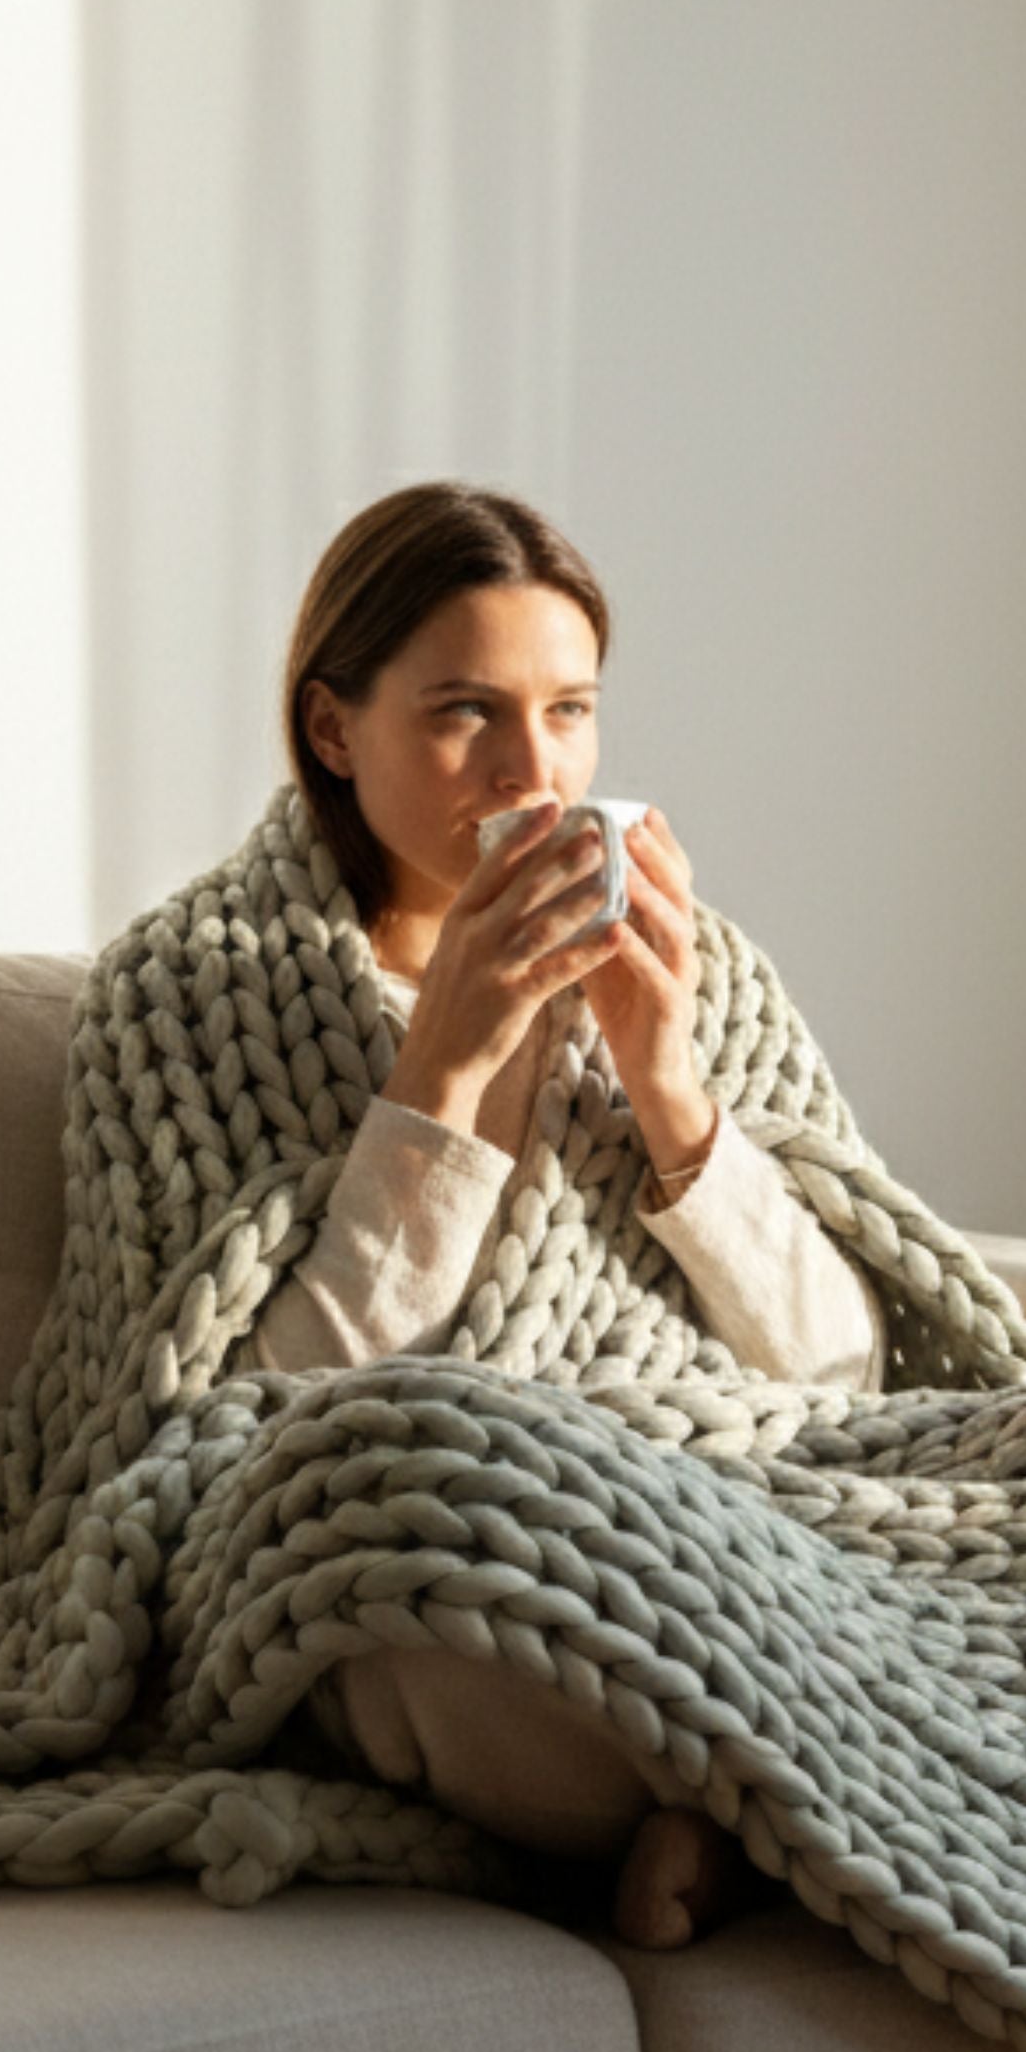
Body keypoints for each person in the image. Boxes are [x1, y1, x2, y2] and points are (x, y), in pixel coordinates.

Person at [233, 481, 887, 1950]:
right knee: (439, 1558)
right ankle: (821, 1803)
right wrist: (440, 1076)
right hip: (445, 1560)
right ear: (335, 730)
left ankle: (752, 1810)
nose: (535, 771)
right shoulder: (199, 1002)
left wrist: (668, 1087)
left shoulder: (701, 971)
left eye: (572, 712)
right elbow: (249, 1435)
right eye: (468, 712)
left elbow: (848, 1379)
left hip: (736, 1519)